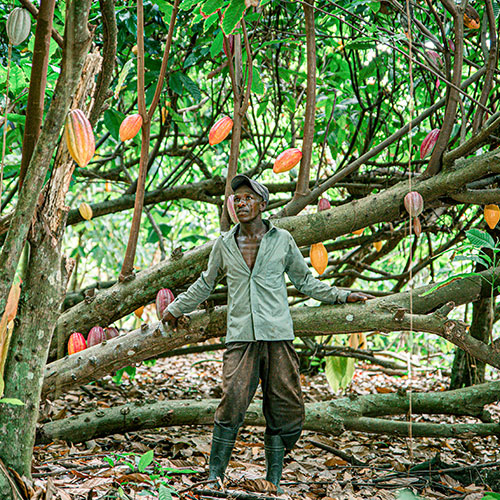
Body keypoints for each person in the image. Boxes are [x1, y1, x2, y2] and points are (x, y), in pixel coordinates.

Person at [163, 174, 373, 493]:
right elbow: (206, 283)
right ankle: (213, 476)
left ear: (262, 204)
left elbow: (305, 282)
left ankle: (273, 481)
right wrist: (176, 307)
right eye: (237, 198)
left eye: (248, 198)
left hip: (277, 336)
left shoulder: (282, 240)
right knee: (232, 402)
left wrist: (342, 295)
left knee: (282, 408)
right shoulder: (223, 244)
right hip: (241, 338)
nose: (241, 202)